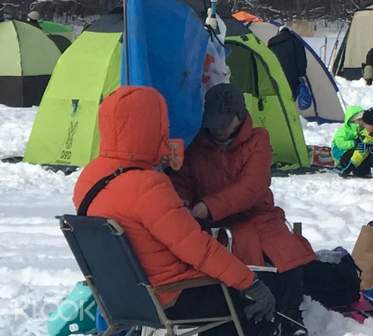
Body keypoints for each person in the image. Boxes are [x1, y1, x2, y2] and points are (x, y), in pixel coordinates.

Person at [72, 86, 278, 336]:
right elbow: (198, 249)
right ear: (152, 126)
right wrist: (250, 283)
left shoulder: (90, 177)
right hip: (172, 294)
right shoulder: (147, 186)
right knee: (257, 307)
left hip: (122, 295)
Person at [170, 83, 316, 336]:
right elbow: (182, 182)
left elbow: (252, 187)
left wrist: (208, 206)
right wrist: (184, 204)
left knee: (286, 257)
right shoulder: (196, 145)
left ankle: (289, 317)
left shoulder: (258, 139)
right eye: (213, 123)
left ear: (240, 116)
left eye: (224, 123)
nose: (218, 129)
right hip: (213, 224)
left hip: (258, 217)